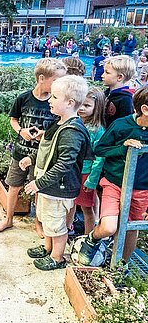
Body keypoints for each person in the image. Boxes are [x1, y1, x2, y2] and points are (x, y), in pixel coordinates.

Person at [21, 75, 92, 270]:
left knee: (56, 224)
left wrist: (39, 183)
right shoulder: (59, 122)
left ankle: (57, 257)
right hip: (49, 187)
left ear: (70, 103)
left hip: (58, 188)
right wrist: (32, 159)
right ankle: (47, 247)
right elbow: (49, 152)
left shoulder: (71, 131)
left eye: (54, 97)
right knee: (47, 219)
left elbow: (63, 164)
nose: (49, 100)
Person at [0, 57, 67, 234]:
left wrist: (45, 135)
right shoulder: (24, 98)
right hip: (20, 153)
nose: (60, 85)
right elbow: (13, 119)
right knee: (14, 186)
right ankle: (8, 219)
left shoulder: (55, 102)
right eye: (56, 80)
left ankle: (38, 223)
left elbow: (60, 126)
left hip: (42, 157)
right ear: (42, 78)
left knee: (38, 189)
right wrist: (21, 131)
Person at [77, 85, 148, 265]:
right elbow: (100, 148)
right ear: (145, 110)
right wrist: (123, 147)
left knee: (132, 228)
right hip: (114, 183)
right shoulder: (121, 125)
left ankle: (119, 266)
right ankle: (92, 237)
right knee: (109, 227)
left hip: (142, 189)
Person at [67, 87, 105, 235]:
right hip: (72, 170)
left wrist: (92, 179)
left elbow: (100, 157)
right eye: (80, 103)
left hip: (85, 173)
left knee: (86, 208)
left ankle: (88, 237)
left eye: (87, 105)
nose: (82, 108)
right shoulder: (74, 122)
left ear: (97, 107)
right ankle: (67, 229)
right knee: (69, 203)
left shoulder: (97, 130)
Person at [102, 55, 136, 128]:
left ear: (120, 77)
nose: (102, 75)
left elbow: (125, 125)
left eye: (107, 73)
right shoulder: (107, 93)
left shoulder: (126, 99)